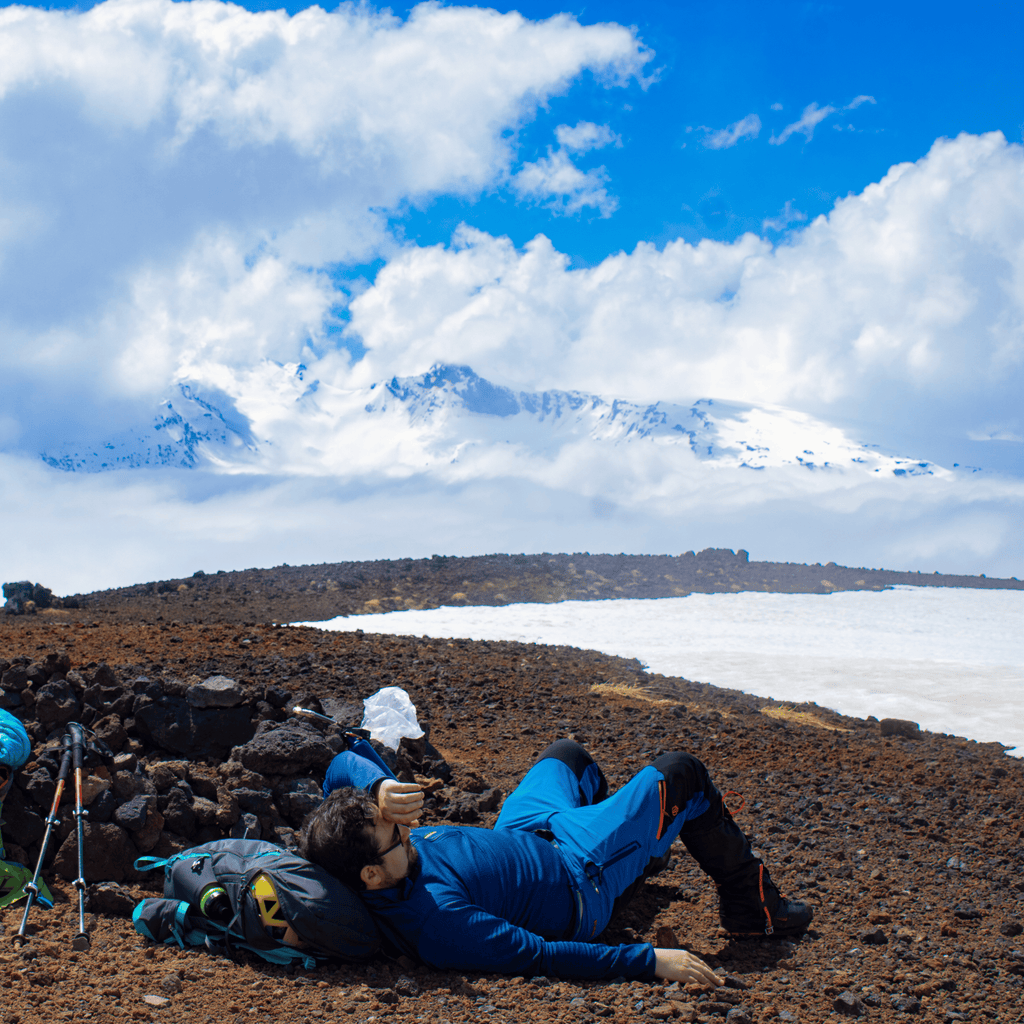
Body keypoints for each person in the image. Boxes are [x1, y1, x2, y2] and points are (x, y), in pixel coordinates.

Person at [300, 737, 812, 982]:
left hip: (522, 832)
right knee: (682, 773)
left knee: (567, 757)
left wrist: (379, 787)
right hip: (578, 872)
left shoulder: (348, 849)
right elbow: (542, 955)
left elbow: (340, 767)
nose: (409, 830)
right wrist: (651, 962)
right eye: (396, 834)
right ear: (370, 874)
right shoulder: (440, 922)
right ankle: (752, 909)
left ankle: (637, 851)